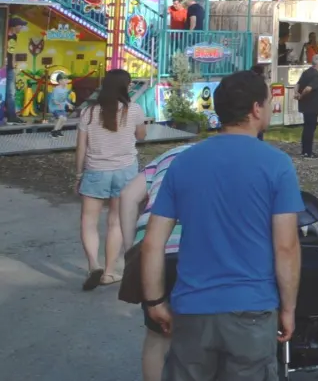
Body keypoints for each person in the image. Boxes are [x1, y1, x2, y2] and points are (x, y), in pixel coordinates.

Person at [141, 71, 302, 380]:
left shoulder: (184, 162)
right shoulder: (277, 165)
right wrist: (289, 308)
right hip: (252, 309)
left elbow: (152, 242)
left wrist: (155, 301)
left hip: (192, 308)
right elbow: (286, 246)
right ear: (257, 109)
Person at [118, 142, 195, 381]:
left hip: (153, 248)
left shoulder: (165, 157)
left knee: (157, 336)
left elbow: (128, 196)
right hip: (195, 248)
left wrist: (132, 248)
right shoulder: (217, 159)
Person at [75, 69, 146, 290]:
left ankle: (93, 265)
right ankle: (108, 273)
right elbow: (141, 136)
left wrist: (78, 174)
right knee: (115, 222)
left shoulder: (88, 112)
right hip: (125, 170)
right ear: (126, 87)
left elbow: (81, 148)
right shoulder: (133, 110)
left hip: (96, 170)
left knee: (89, 221)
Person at [294, 54, 318, 157]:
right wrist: (302, 96)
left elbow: (297, 84)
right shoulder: (316, 75)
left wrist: (296, 93)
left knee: (306, 127)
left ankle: (305, 150)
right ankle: (308, 151)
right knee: (310, 128)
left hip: (305, 105)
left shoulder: (306, 72)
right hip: (313, 105)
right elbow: (308, 88)